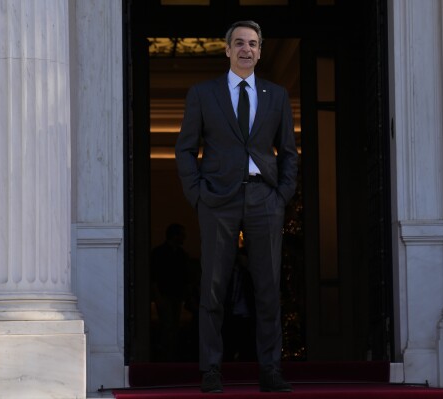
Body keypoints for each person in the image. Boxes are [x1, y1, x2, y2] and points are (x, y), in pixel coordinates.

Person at [175, 20, 298, 393]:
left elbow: (289, 153)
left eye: (254, 44)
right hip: (217, 201)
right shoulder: (203, 94)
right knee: (213, 287)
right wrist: (198, 194)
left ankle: (270, 369)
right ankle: (211, 369)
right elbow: (185, 149)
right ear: (227, 49)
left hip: (264, 199)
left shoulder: (276, 95)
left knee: (267, 288)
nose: (247, 49)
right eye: (240, 43)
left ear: (260, 51)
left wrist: (282, 196)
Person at [150, 223, 190, 361]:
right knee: (167, 326)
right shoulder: (159, 253)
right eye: (181, 235)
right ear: (175, 235)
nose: (184, 238)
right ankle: (165, 356)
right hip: (164, 295)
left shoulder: (182, 254)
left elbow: (185, 277)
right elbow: (153, 276)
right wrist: (157, 296)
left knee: (174, 326)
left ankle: (172, 355)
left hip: (176, 296)